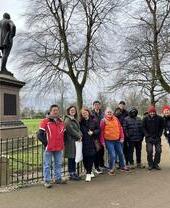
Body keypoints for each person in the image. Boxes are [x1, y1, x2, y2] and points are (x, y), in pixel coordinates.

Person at [37, 104, 67, 188]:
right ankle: (47, 181)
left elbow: (64, 134)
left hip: (59, 147)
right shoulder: (45, 121)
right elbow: (39, 135)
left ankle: (58, 178)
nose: (56, 111)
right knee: (47, 164)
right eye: (54, 110)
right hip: (49, 148)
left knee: (58, 164)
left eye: (57, 110)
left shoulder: (61, 122)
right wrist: (46, 143)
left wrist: (63, 143)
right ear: (50, 111)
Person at [100, 107, 129, 175]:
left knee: (121, 153)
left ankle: (122, 166)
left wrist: (122, 137)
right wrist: (102, 142)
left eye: (110, 112)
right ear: (105, 113)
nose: (109, 113)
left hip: (117, 140)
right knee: (112, 155)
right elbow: (101, 132)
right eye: (108, 112)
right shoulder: (103, 121)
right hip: (108, 141)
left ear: (112, 113)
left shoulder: (116, 119)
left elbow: (120, 128)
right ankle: (111, 169)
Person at [80, 107, 100, 182]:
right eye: (83, 113)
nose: (84, 114)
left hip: (92, 141)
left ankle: (88, 174)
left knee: (91, 156)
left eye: (85, 112)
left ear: (88, 112)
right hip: (84, 142)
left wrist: (93, 132)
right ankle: (89, 171)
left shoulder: (94, 120)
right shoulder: (80, 122)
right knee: (85, 158)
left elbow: (98, 129)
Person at [143, 106, 164, 170]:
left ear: (155, 112)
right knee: (149, 151)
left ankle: (156, 164)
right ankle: (150, 164)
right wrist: (147, 135)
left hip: (157, 138)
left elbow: (161, 127)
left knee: (159, 150)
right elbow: (143, 128)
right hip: (149, 138)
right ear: (149, 112)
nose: (152, 113)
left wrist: (159, 135)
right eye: (151, 112)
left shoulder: (159, 118)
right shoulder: (145, 119)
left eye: (153, 112)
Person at [64, 106, 82, 181]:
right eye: (71, 110)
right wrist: (79, 136)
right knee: (71, 158)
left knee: (73, 157)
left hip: (74, 141)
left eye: (74, 110)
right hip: (70, 141)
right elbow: (70, 130)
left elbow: (78, 129)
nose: (73, 111)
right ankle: (71, 174)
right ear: (68, 111)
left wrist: (80, 135)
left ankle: (74, 172)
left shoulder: (74, 119)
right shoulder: (67, 120)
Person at [91, 100, 105, 173]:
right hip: (95, 135)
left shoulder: (102, 114)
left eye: (98, 104)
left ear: (100, 106)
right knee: (97, 151)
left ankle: (102, 164)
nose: (97, 106)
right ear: (93, 106)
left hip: (102, 135)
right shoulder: (91, 114)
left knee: (102, 150)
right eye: (95, 104)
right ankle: (96, 167)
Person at [118, 101, 129, 165]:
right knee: (119, 148)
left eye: (123, 105)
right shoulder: (116, 112)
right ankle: (120, 162)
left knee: (125, 148)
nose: (122, 106)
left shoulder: (126, 112)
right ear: (118, 105)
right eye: (121, 105)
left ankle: (126, 161)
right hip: (118, 131)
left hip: (125, 131)